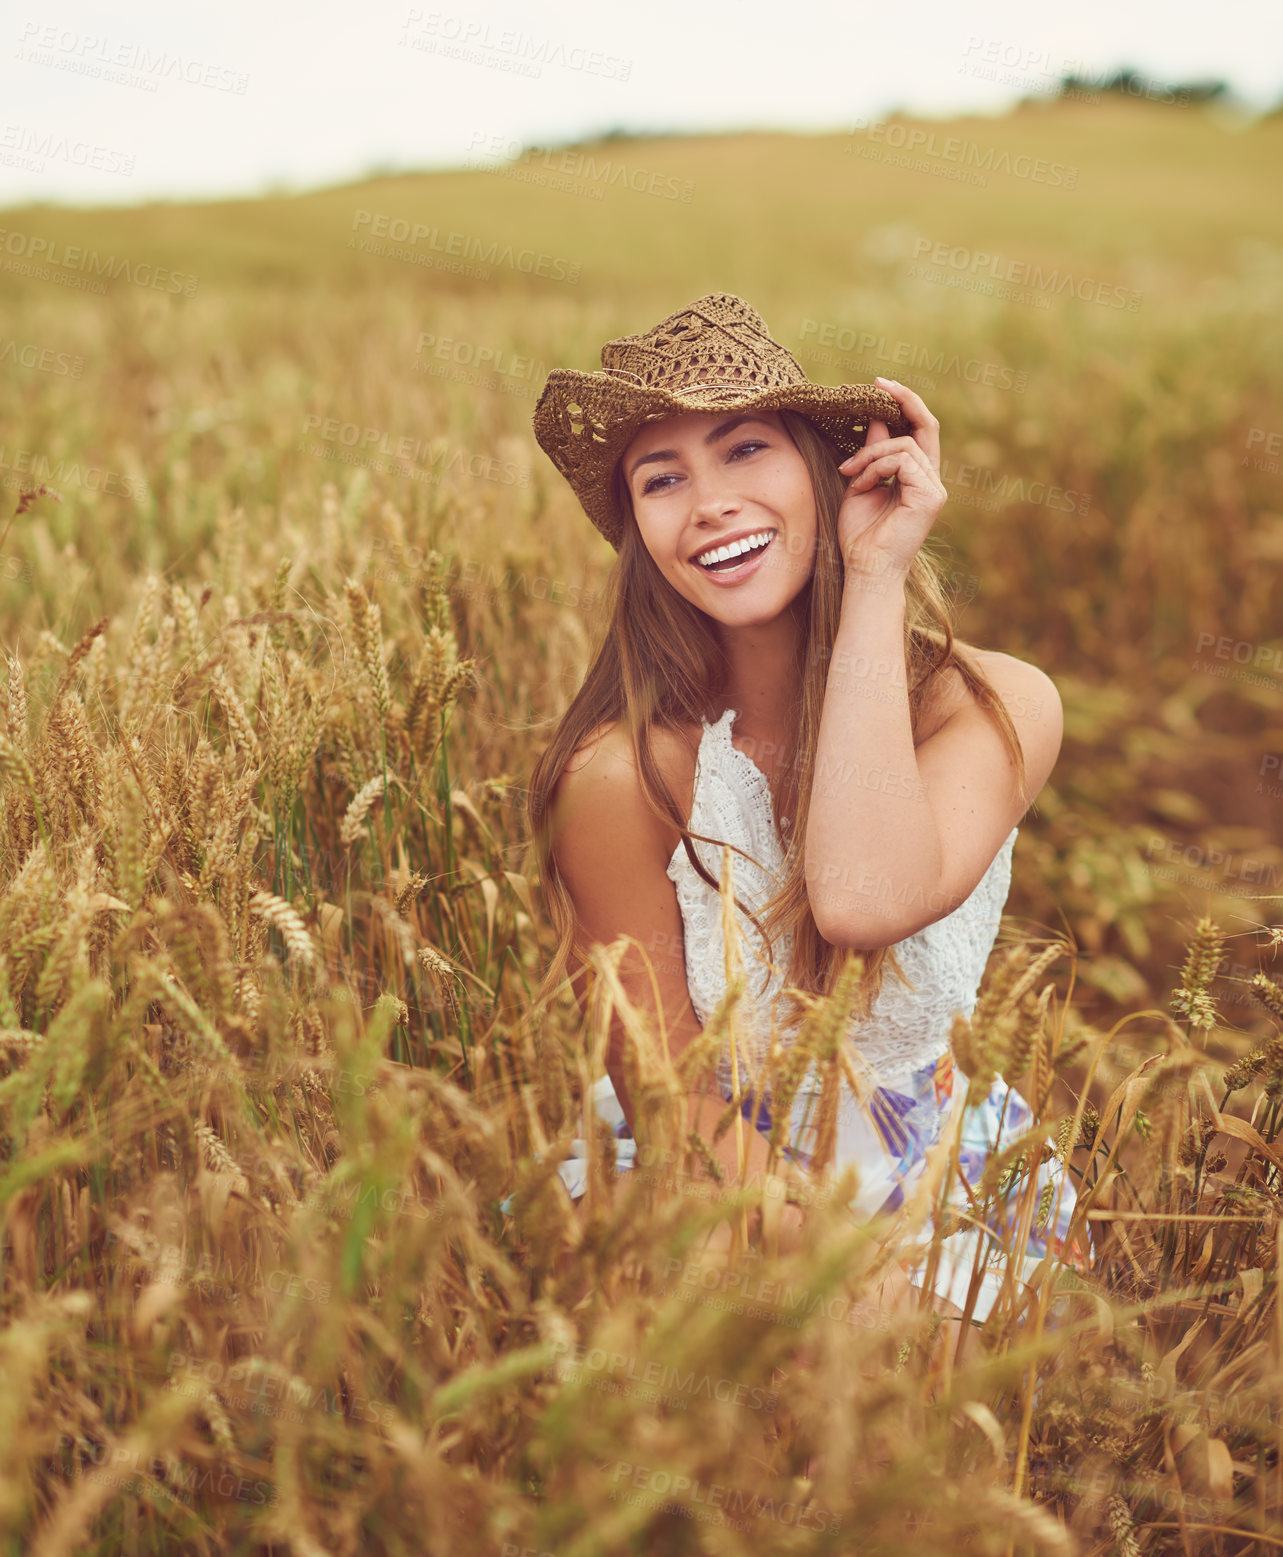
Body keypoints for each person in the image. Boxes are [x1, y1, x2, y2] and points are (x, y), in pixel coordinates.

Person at [523, 292, 1078, 1324]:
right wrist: (830, 1266)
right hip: (712, 1174)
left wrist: (872, 580)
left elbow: (862, 900)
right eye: (661, 478)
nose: (708, 503)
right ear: (635, 530)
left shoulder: (999, 706)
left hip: (948, 1168)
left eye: (745, 451)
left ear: (829, 474)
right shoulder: (616, 778)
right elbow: (669, 1083)